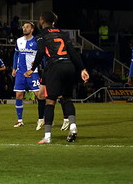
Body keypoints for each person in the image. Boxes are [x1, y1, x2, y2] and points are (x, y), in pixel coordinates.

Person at [26, 11, 90, 144]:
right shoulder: (63, 33)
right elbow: (73, 52)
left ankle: (47, 136)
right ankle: (73, 126)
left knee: (50, 101)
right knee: (66, 98)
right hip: (69, 66)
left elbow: (41, 52)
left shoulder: (41, 34)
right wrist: (82, 69)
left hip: (55, 67)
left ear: (43, 20)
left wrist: (32, 69)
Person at [11, 21, 46, 128]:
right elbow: (16, 54)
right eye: (23, 27)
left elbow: (42, 55)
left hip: (33, 72)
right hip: (20, 73)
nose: (24, 29)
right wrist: (14, 68)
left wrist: (40, 64)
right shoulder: (19, 41)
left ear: (32, 29)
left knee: (39, 95)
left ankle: (43, 118)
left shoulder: (36, 41)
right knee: (18, 95)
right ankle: (20, 120)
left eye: (27, 27)